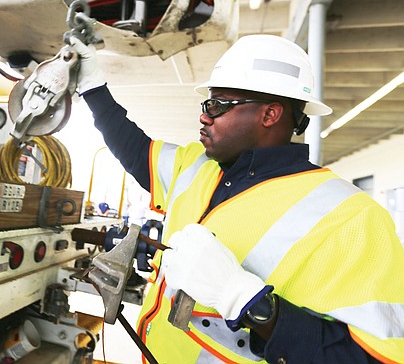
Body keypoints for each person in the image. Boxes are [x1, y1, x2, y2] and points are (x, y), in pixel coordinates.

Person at [69, 34, 404, 364]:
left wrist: (251, 303)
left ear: (270, 114)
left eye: (216, 105)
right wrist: (92, 86)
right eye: (206, 105)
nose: (204, 116)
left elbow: (374, 358)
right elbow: (136, 149)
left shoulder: (352, 217)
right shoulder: (198, 166)